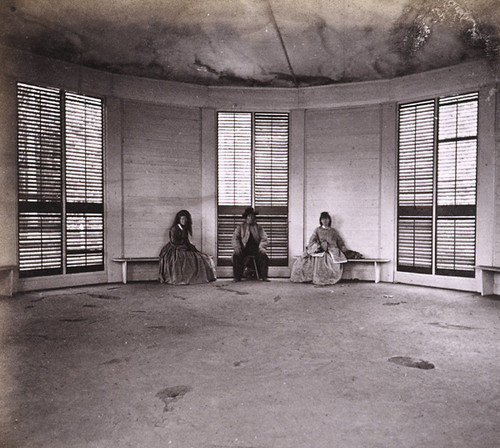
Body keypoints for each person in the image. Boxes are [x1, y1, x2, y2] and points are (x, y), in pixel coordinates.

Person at [159, 210, 216, 285]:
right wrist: (184, 247)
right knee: (185, 260)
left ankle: (204, 276)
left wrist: (191, 247)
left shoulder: (184, 229)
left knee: (202, 257)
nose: (184, 221)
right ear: (179, 220)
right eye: (182, 219)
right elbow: (174, 242)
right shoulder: (174, 229)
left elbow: (186, 241)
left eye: (185, 219)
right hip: (175, 248)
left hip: (184, 247)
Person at [290, 211, 347, 286]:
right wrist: (319, 246)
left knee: (331, 262)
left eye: (326, 219)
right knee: (312, 260)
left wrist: (343, 248)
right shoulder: (317, 230)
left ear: (329, 220)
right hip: (320, 250)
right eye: (323, 219)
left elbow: (340, 241)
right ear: (320, 220)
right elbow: (311, 241)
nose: (325, 221)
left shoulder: (333, 231)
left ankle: (327, 278)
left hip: (331, 251)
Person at [232, 207, 269, 282]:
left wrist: (261, 247)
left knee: (264, 256)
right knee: (236, 255)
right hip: (244, 249)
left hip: (256, 249)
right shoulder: (240, 227)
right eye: (249, 216)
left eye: (252, 216)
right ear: (246, 218)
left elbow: (264, 238)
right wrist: (237, 248)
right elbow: (235, 238)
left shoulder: (259, 227)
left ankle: (264, 276)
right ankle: (237, 277)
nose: (251, 218)